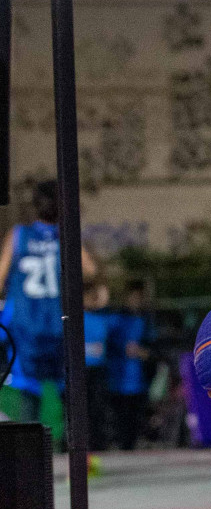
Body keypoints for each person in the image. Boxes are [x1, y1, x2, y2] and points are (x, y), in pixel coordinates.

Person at [0, 180, 97, 423]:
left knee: (29, 393)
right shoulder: (64, 236)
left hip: (25, 325)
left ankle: (29, 455)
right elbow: (90, 271)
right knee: (68, 390)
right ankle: (72, 449)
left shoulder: (20, 234)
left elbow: (0, 277)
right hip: (59, 324)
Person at [109, 278, 154, 451]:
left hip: (139, 381)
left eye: (140, 297)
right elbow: (108, 344)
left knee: (136, 417)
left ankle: (131, 445)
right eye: (133, 297)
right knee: (121, 417)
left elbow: (155, 347)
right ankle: (122, 445)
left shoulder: (147, 321)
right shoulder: (117, 319)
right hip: (119, 379)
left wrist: (146, 353)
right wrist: (122, 349)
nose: (137, 301)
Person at [82, 281, 114, 451]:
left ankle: (97, 446)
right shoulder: (74, 318)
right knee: (81, 412)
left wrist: (98, 280)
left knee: (97, 410)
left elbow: (104, 297)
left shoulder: (102, 318)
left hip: (98, 370)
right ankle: (81, 446)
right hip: (81, 372)